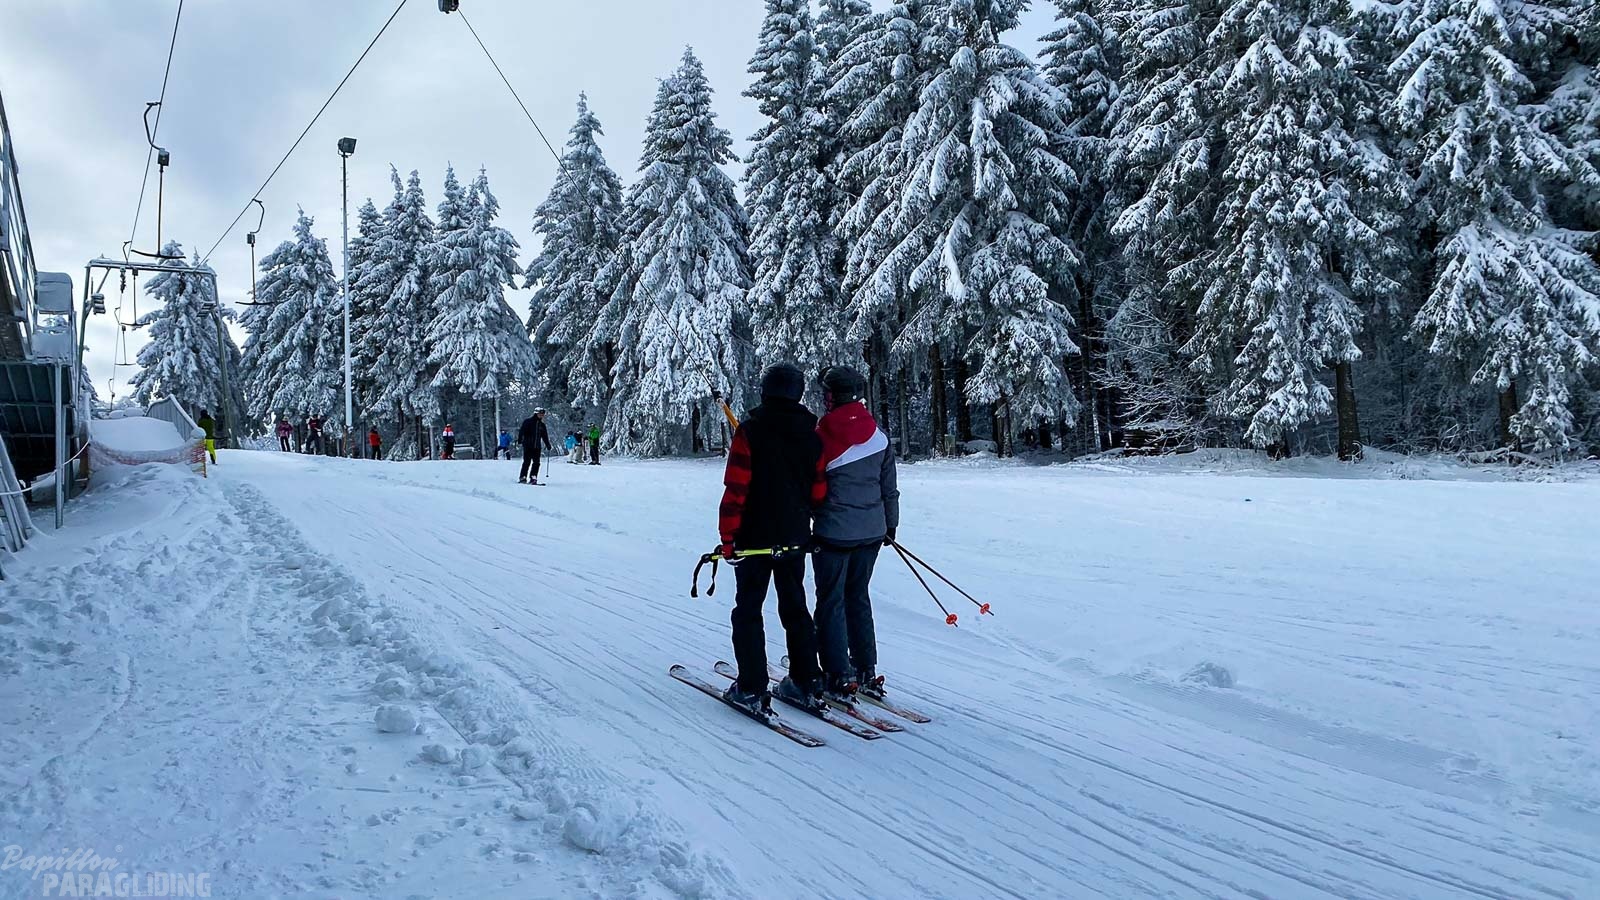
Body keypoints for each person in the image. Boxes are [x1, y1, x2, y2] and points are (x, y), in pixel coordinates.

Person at [717, 364, 828, 714]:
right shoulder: (812, 436)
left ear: (766, 391)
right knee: (795, 608)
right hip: (794, 538)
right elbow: (818, 491)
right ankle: (807, 680)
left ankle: (751, 687)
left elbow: (735, 489)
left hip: (753, 539)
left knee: (748, 610)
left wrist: (728, 538)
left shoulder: (750, 431)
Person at [811, 365, 900, 700]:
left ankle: (838, 673)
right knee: (858, 597)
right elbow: (889, 488)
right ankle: (865, 668)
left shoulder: (821, 436)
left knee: (831, 601)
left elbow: (813, 487)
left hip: (833, 534)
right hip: (872, 533)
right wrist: (890, 525)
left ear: (832, 396)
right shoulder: (879, 436)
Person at [518, 409, 554, 484]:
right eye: (540, 414)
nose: (541, 415)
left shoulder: (542, 425)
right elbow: (522, 431)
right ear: (536, 413)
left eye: (542, 414)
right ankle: (523, 477)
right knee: (527, 462)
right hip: (528, 445)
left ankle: (533, 476)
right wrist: (520, 440)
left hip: (537, 447)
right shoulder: (528, 422)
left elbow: (545, 436)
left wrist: (548, 444)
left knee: (536, 463)